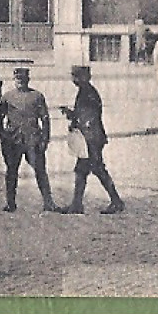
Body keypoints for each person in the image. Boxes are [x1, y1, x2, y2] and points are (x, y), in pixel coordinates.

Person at [0, 67, 59, 213]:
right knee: (11, 172)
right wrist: (3, 136)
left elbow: (45, 119)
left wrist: (44, 140)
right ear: (14, 80)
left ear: (28, 80)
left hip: (32, 140)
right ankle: (10, 203)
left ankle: (48, 202)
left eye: (23, 81)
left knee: (40, 171)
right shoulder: (7, 97)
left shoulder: (37, 96)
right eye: (17, 80)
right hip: (13, 141)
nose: (20, 83)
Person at [59, 65, 124, 214]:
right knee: (82, 170)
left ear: (85, 77)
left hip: (91, 139)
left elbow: (91, 116)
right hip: (88, 138)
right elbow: (82, 114)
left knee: (96, 169)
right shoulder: (84, 92)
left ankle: (116, 201)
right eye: (73, 76)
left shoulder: (89, 93)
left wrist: (77, 122)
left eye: (77, 76)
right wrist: (71, 114)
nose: (74, 79)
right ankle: (77, 204)